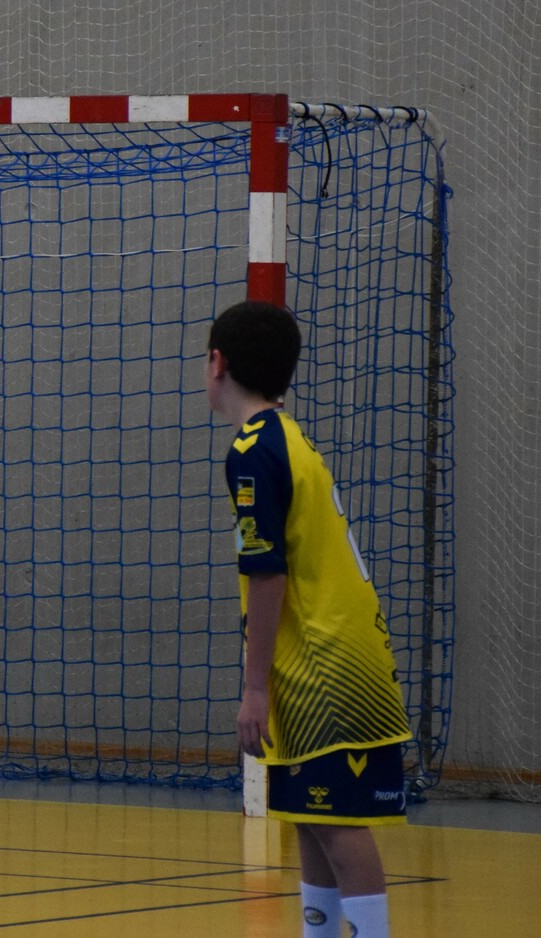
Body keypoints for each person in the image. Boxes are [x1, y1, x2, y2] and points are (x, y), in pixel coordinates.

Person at [203, 300, 412, 938]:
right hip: (323, 651)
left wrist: (254, 688)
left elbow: (267, 573)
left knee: (337, 823)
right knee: (311, 814)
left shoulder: (253, 450)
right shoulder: (286, 437)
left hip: (327, 662)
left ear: (217, 363)